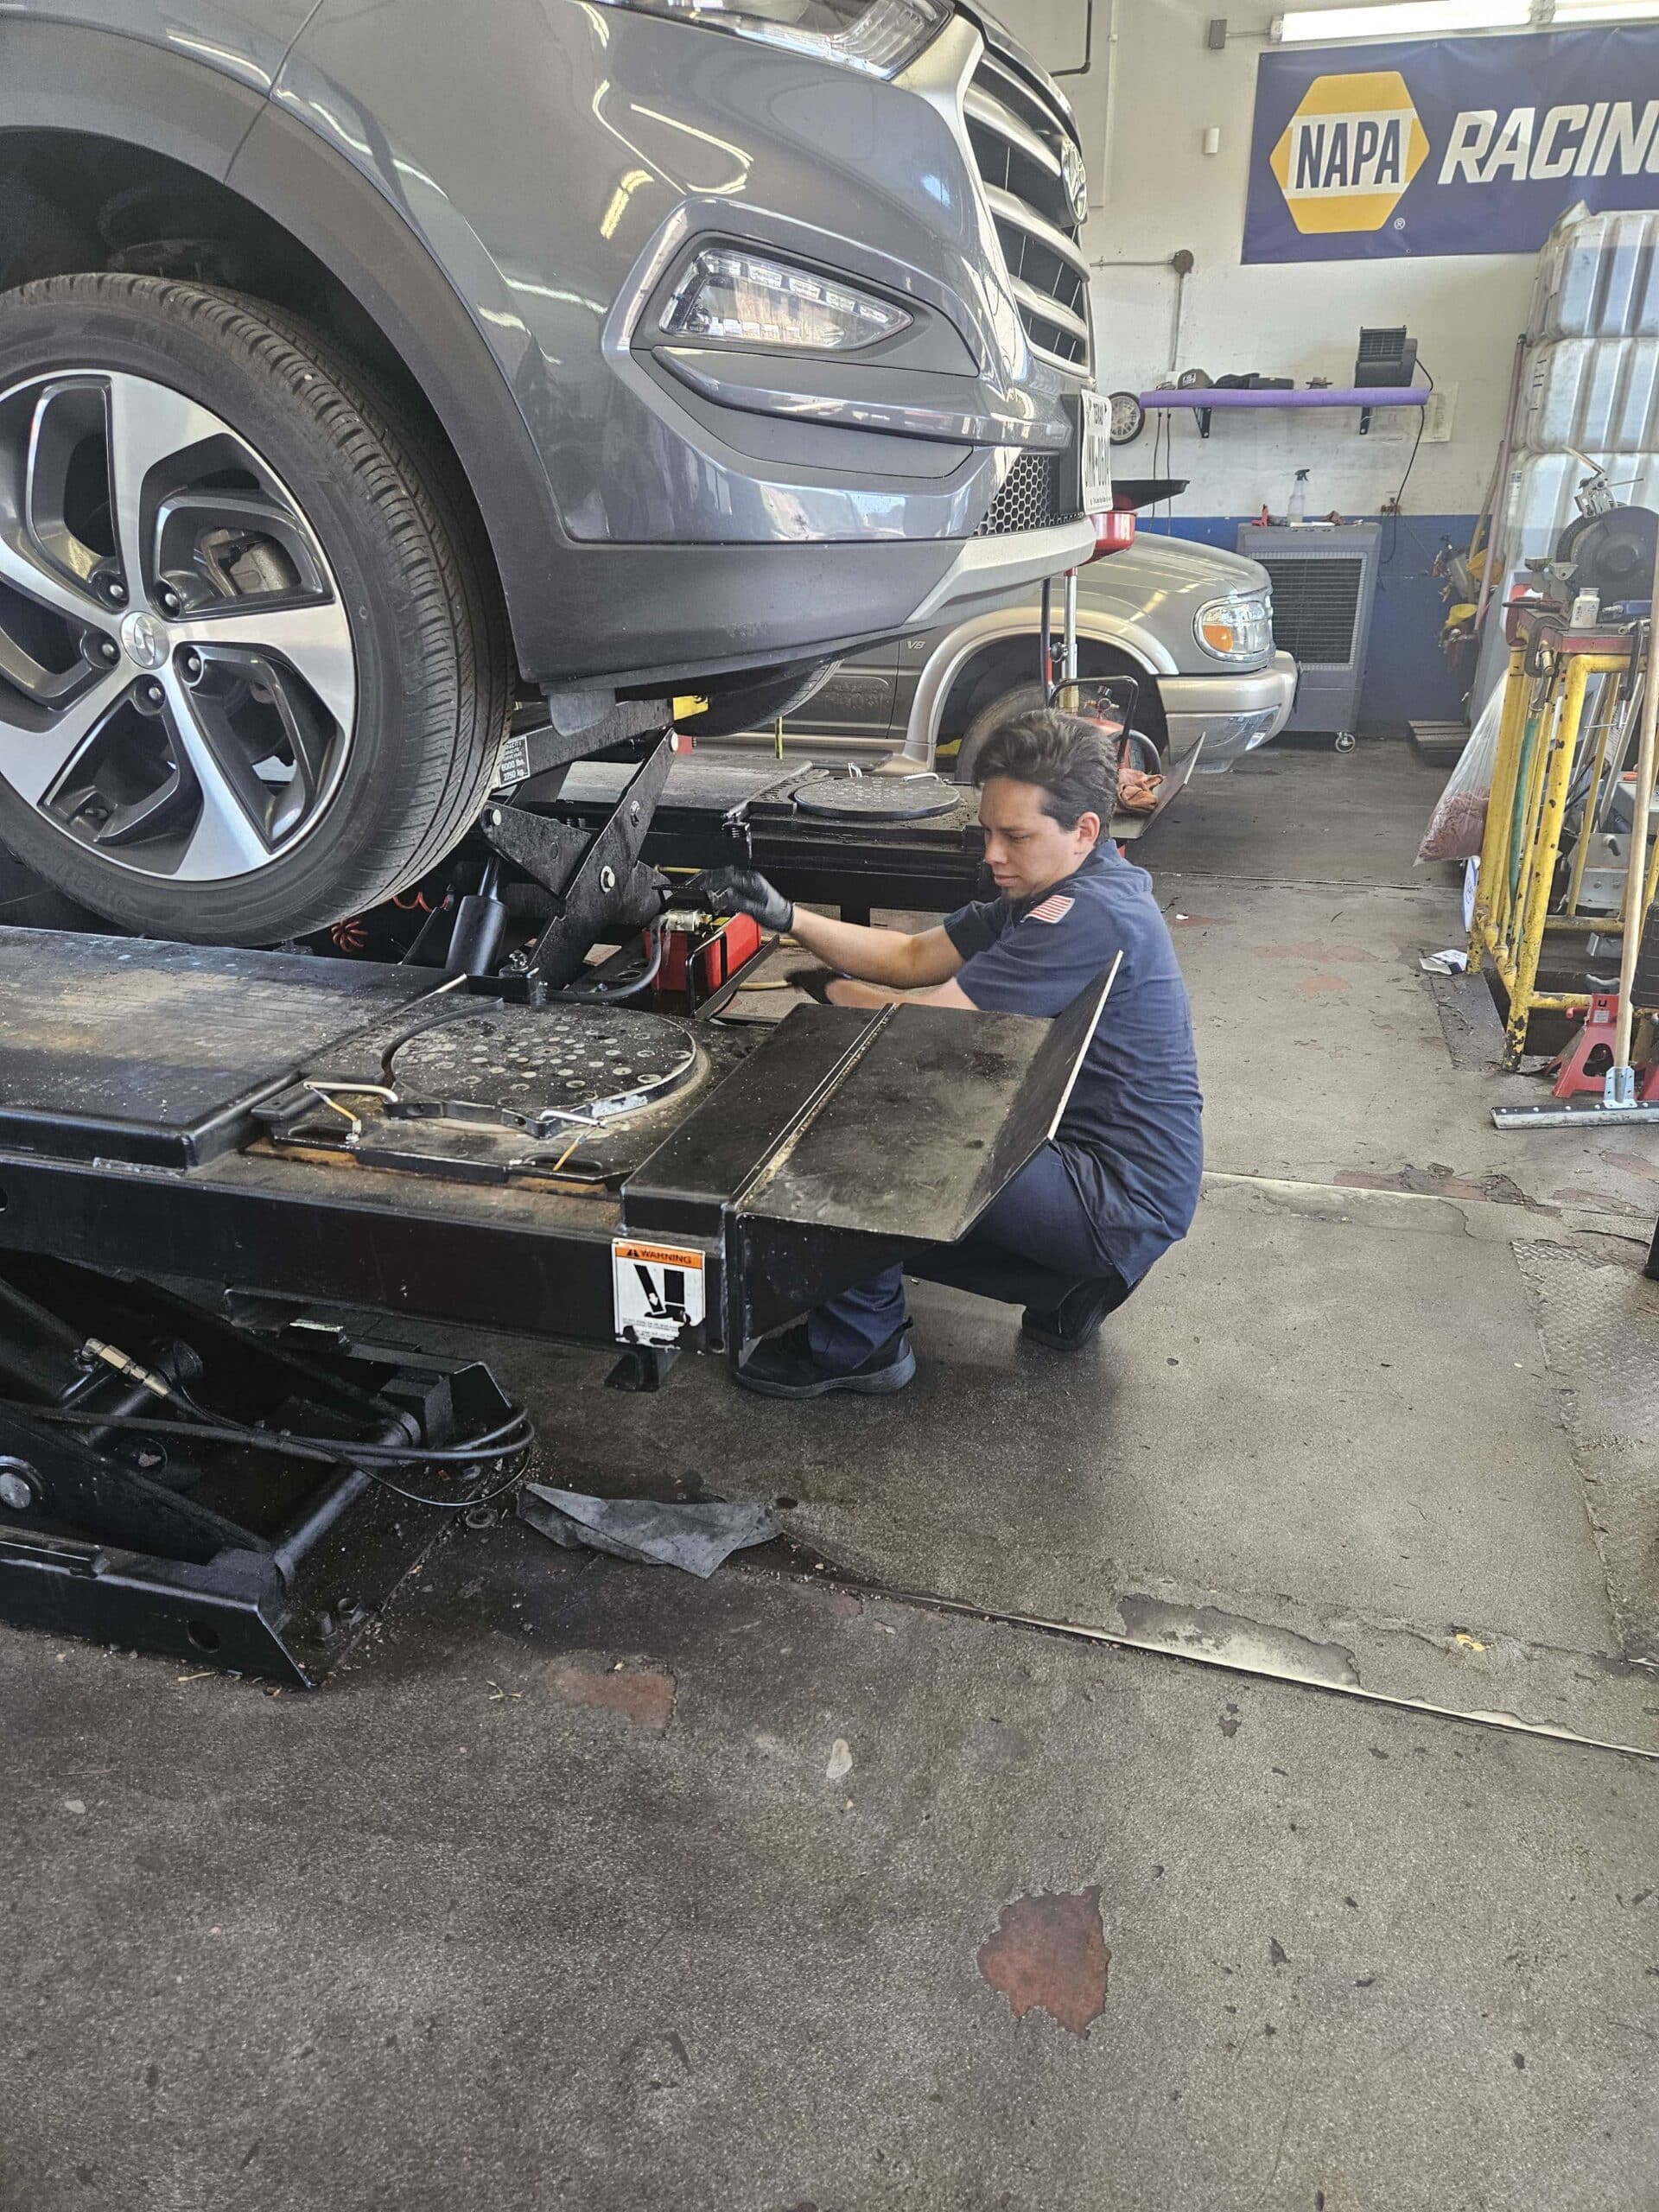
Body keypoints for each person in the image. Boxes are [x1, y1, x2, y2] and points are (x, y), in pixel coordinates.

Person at [699, 709, 1203, 1399]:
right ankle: (1069, 1287)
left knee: (862, 1123)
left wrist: (837, 994)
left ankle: (858, 1345)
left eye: (1015, 836)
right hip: (1118, 1181)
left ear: (1085, 830)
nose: (992, 854)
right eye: (988, 831)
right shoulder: (1059, 889)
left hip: (1107, 1197)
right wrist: (786, 916)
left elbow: (921, 1029)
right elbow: (912, 956)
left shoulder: (1086, 915)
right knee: (929, 1093)